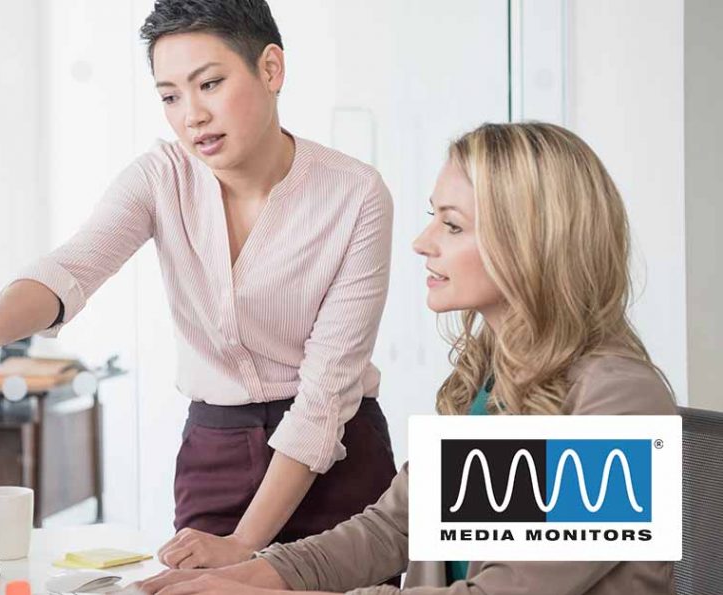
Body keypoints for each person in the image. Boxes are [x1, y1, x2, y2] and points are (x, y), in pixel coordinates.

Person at [0, 0, 398, 571]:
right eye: (170, 96)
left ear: (271, 69)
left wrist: (244, 544)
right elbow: (72, 268)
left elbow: (324, 398)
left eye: (209, 84)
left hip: (333, 461)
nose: (191, 116)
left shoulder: (355, 194)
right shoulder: (161, 177)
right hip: (216, 455)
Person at [135, 122, 678, 594]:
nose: (422, 242)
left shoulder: (620, 402)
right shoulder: (495, 380)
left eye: (453, 224)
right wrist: (247, 574)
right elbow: (394, 529)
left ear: (532, 241)